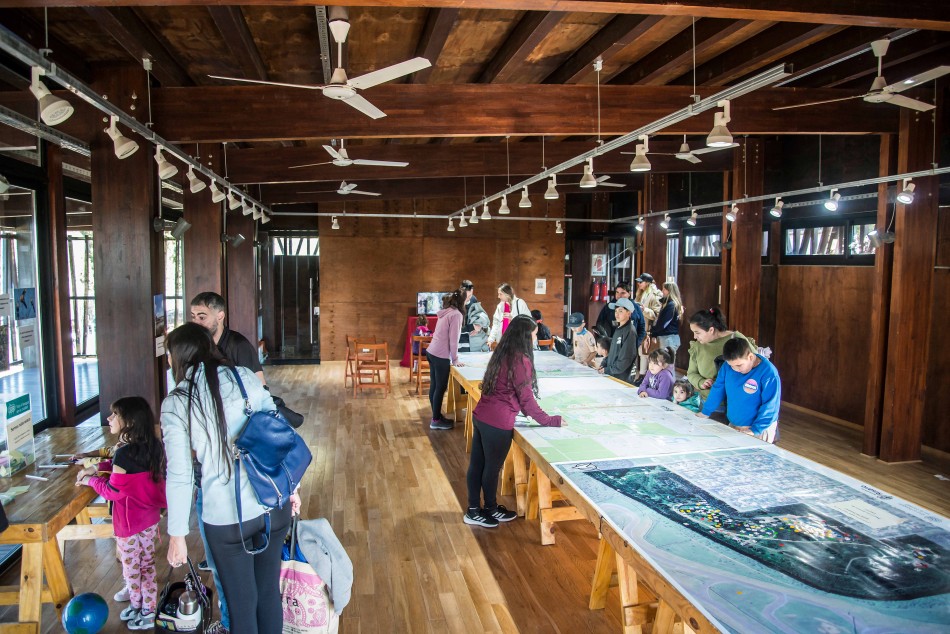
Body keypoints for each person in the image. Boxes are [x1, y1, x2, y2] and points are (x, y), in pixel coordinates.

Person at [162, 323, 300, 634]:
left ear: (178, 356)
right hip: (271, 503)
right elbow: (279, 436)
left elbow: (180, 474)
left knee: (241, 605)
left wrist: (177, 535)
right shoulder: (244, 378)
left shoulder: (177, 402)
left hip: (226, 517)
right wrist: (292, 488)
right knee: (268, 593)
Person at [76, 397, 166, 630]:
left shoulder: (124, 453)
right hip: (149, 517)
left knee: (132, 567)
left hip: (128, 522)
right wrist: (97, 467)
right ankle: (147, 608)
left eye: (115, 414)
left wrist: (90, 480)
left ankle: (140, 608)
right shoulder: (152, 446)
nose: (109, 418)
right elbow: (122, 468)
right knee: (147, 564)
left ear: (130, 421)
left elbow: (112, 491)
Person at [465, 315, 563, 528]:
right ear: (525, 336)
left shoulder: (502, 352)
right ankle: (486, 509)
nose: (535, 339)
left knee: (478, 465)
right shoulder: (521, 360)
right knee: (491, 468)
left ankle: (476, 509)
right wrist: (551, 420)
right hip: (497, 423)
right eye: (534, 335)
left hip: (482, 416)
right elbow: (526, 400)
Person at [697, 337, 781, 443]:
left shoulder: (768, 373)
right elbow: (718, 389)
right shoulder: (727, 367)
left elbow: (770, 405)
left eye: (739, 365)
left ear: (750, 357)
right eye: (731, 366)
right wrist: (706, 411)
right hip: (734, 424)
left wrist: (755, 430)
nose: (735, 369)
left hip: (758, 429)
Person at [190, 292, 265, 385]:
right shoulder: (192, 345)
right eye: (193, 317)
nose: (195, 323)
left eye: (202, 318)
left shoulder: (240, 345)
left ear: (220, 316)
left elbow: (260, 386)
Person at [686, 307, 755, 399]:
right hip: (707, 399)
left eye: (697, 333)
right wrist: (701, 382)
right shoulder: (698, 346)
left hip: (735, 400)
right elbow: (691, 373)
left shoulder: (737, 338)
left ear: (711, 330)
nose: (694, 337)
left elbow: (758, 364)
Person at [426, 290, 465, 430]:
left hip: (431, 352)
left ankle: (436, 416)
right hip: (440, 355)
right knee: (440, 388)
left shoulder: (446, 312)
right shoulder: (456, 314)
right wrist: (455, 359)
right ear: (462, 301)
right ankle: (436, 420)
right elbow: (453, 340)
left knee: (434, 386)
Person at [598, 298, 644, 384]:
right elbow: (613, 352)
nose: (617, 314)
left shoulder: (630, 331)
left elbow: (625, 359)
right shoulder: (619, 329)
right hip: (613, 375)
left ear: (629, 313)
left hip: (622, 378)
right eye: (616, 311)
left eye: (620, 311)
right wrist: (604, 364)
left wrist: (608, 370)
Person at [634, 274, 663, 384]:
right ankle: (641, 375)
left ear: (647, 283)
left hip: (649, 329)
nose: (639, 284)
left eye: (641, 282)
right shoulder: (640, 293)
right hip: (640, 326)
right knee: (641, 352)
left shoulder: (656, 295)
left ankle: (644, 376)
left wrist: (644, 309)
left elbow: (656, 314)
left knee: (647, 353)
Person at [487, 283, 531, 347]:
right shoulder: (500, 306)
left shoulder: (520, 303)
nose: (498, 296)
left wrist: (513, 318)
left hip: (517, 342)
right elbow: (496, 324)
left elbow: (529, 321)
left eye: (500, 294)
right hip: (502, 342)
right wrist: (490, 340)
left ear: (507, 294)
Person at [652, 282, 684, 361]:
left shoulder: (671, 305)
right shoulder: (671, 304)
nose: (662, 291)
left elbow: (663, 323)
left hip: (669, 338)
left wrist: (654, 331)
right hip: (669, 338)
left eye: (664, 289)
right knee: (666, 363)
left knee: (667, 364)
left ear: (669, 291)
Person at [459, 280, 478, 352]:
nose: (469, 297)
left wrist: (478, 326)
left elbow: (477, 314)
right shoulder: (456, 301)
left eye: (471, 294)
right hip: (458, 336)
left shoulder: (473, 299)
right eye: (468, 295)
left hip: (470, 337)